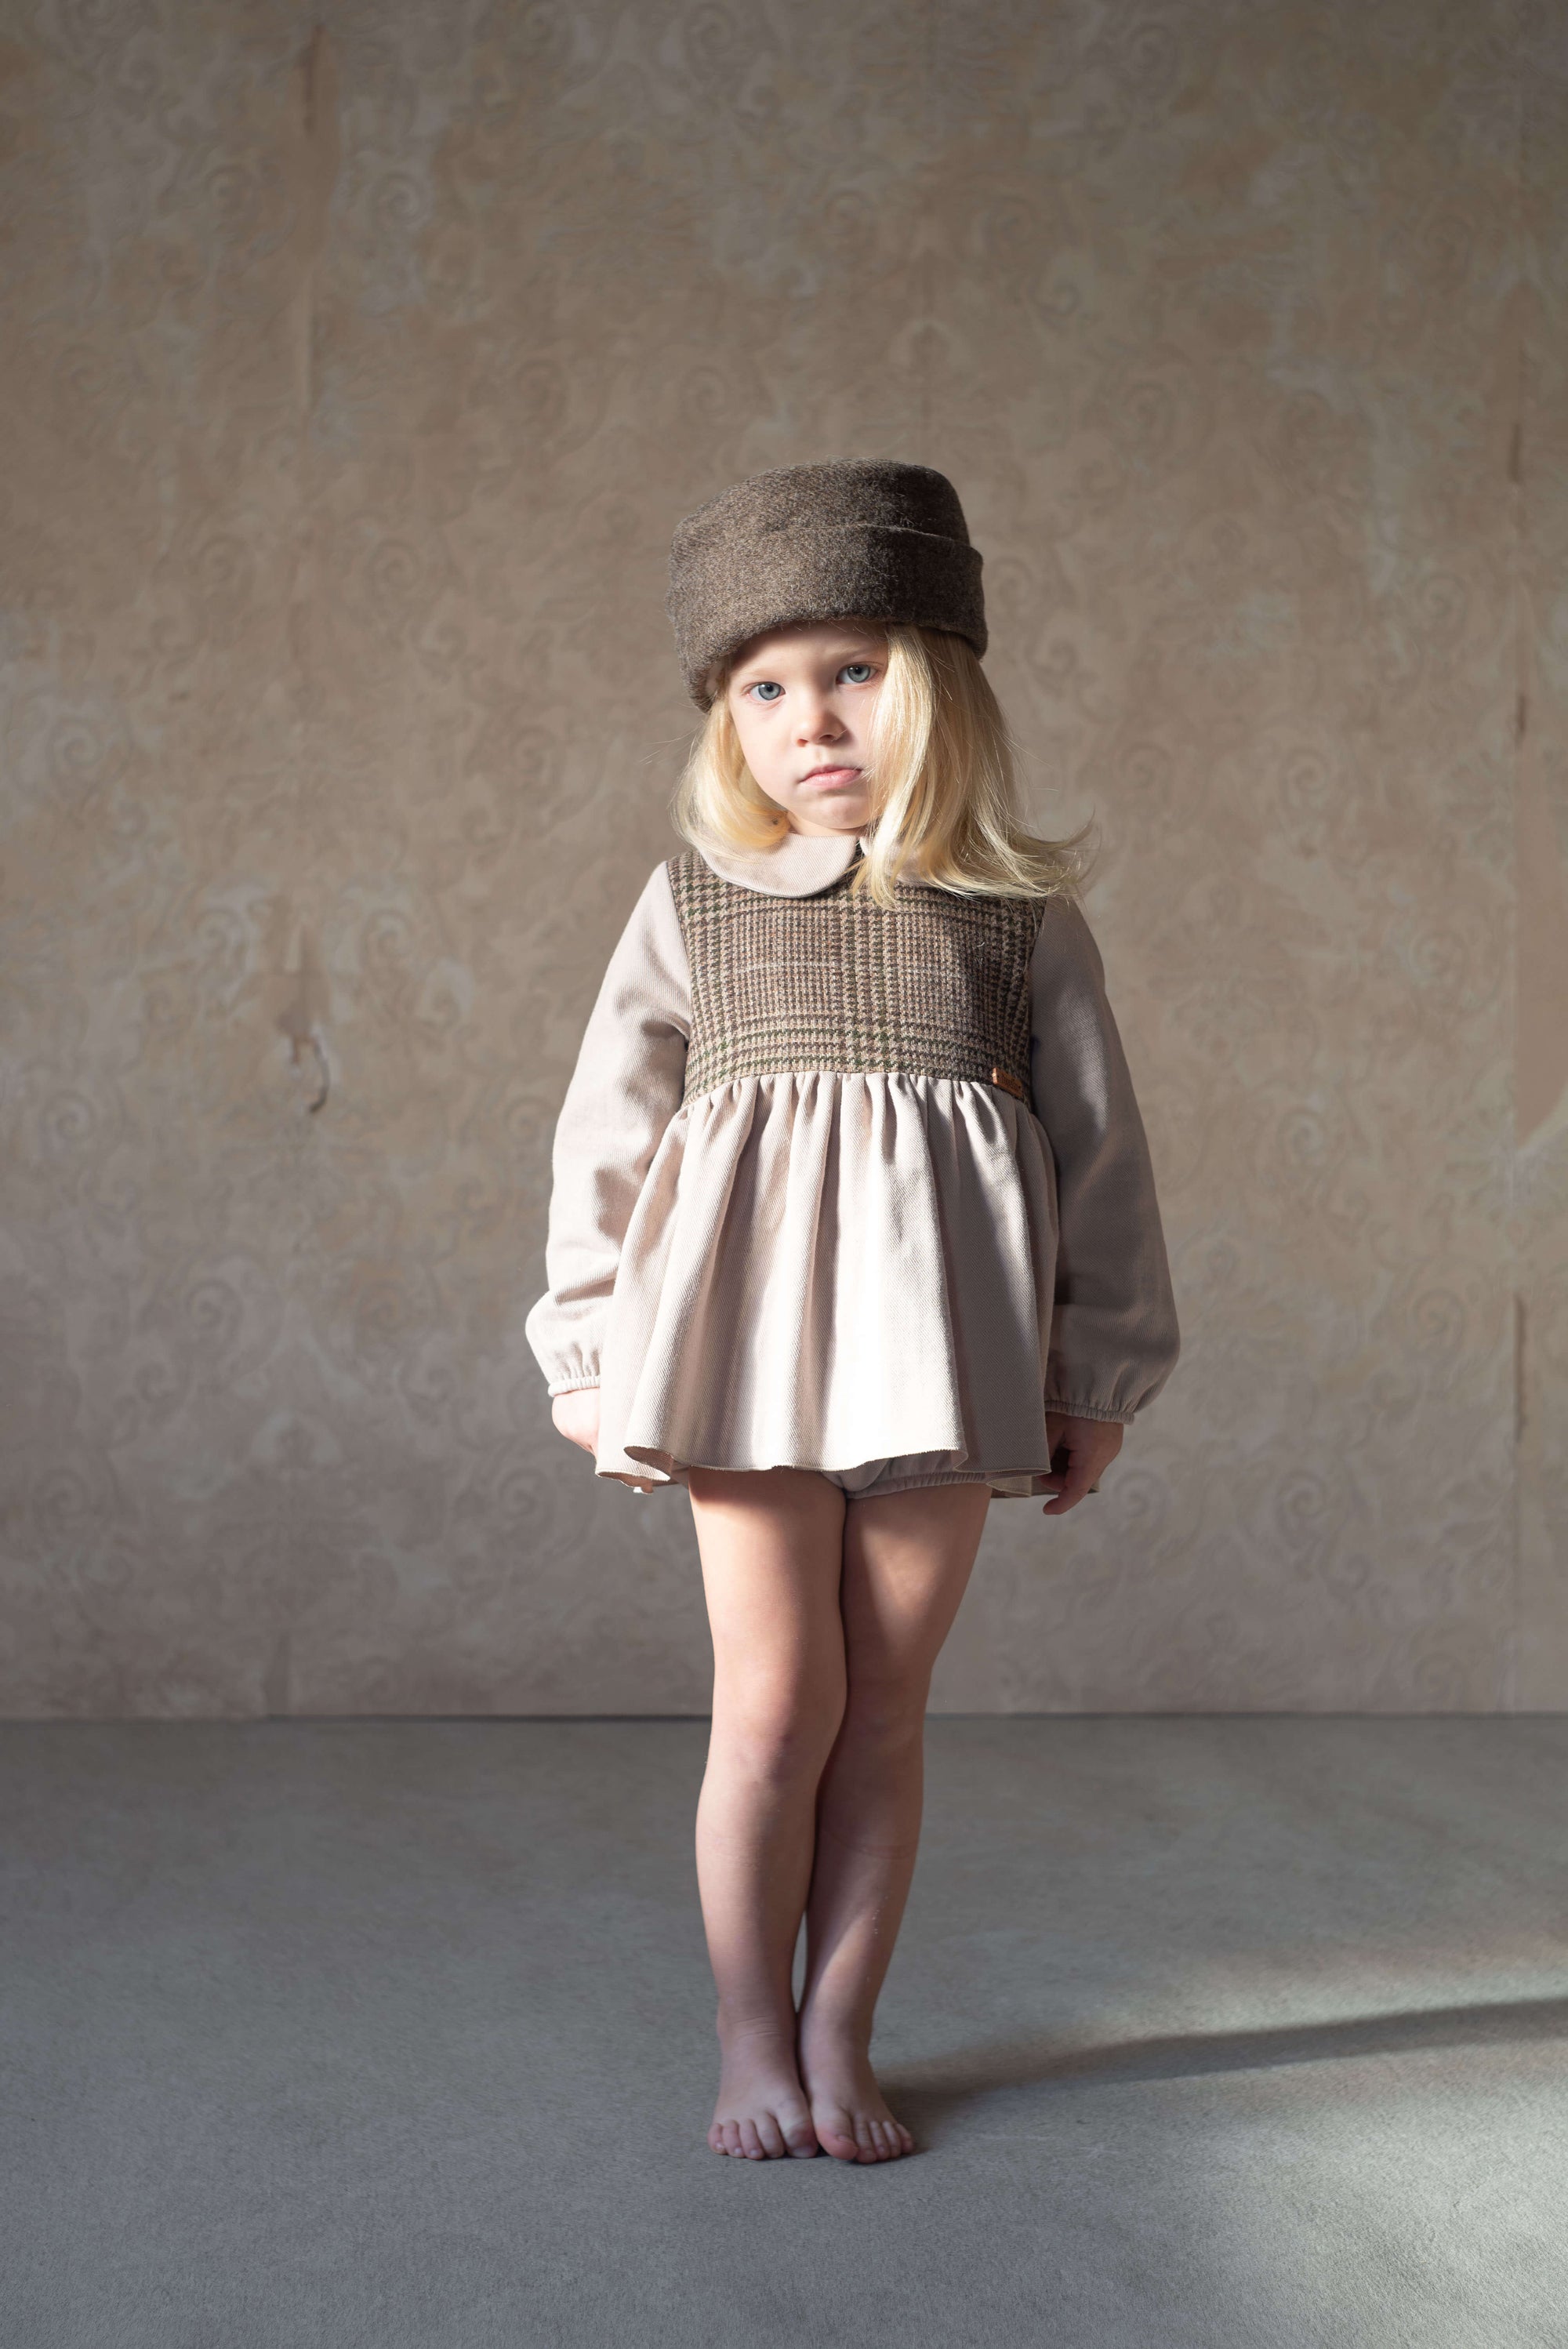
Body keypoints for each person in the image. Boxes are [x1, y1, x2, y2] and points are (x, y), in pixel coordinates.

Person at [524, 459, 1180, 2165]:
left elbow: (1102, 1157)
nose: (810, 717)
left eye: (853, 671)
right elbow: (606, 1132)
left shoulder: (1018, 921)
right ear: (724, 720)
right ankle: (749, 2029)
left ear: (940, 683)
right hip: (742, 1368)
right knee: (772, 1704)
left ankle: (839, 2028)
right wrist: (589, 1346)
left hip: (944, 1368)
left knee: (884, 1706)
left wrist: (1095, 1375)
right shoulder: (694, 903)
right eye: (763, 688)